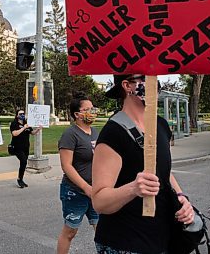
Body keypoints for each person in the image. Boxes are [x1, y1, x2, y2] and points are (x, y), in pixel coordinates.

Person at [92, 74, 195, 254]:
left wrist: (181, 197)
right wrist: (133, 188)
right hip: (125, 242)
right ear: (127, 85)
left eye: (155, 76)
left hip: (161, 238)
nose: (154, 82)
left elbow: (163, 172)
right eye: (145, 77)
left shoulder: (161, 125)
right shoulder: (113, 133)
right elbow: (99, 201)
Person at [56, 93, 99, 254]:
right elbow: (66, 166)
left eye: (92, 108)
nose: (92, 112)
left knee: (103, 231)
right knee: (70, 232)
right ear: (77, 114)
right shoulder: (70, 134)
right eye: (87, 109)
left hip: (97, 191)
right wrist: (85, 187)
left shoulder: (95, 132)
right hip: (75, 192)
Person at [9, 109, 42, 188]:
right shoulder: (14, 124)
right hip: (17, 147)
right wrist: (23, 128)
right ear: (17, 115)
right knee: (23, 160)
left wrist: (38, 129)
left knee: (24, 163)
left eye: (23, 114)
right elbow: (14, 133)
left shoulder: (26, 123)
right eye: (20, 114)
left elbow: (32, 133)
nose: (22, 115)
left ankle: (21, 179)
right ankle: (19, 179)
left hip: (26, 146)